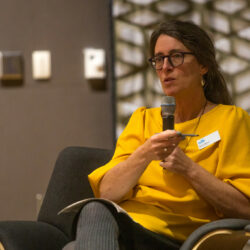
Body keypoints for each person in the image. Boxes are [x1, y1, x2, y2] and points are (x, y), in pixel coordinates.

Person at [63, 20, 250, 250]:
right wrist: (145, 153)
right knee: (92, 214)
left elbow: (244, 207)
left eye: (176, 56)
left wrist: (188, 168)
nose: (165, 67)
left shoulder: (231, 120)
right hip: (131, 226)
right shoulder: (143, 119)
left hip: (186, 238)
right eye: (159, 59)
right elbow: (108, 192)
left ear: (203, 65)